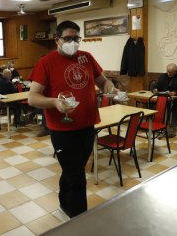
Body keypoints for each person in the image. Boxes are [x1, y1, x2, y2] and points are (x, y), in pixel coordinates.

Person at [28, 20, 116, 218]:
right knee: (77, 176)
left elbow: (103, 82)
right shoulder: (46, 62)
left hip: (87, 125)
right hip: (62, 129)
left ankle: (64, 203)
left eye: (77, 38)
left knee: (72, 170)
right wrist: (55, 103)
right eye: (68, 38)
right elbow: (33, 97)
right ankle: (79, 220)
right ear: (57, 40)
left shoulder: (87, 58)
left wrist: (111, 89)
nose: (73, 42)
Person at [153, 63, 177, 134]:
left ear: (175, 71)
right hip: (165, 97)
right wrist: (155, 89)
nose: (168, 74)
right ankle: (160, 126)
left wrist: (175, 92)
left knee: (176, 107)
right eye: (167, 72)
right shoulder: (163, 76)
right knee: (159, 106)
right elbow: (156, 85)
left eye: (171, 72)